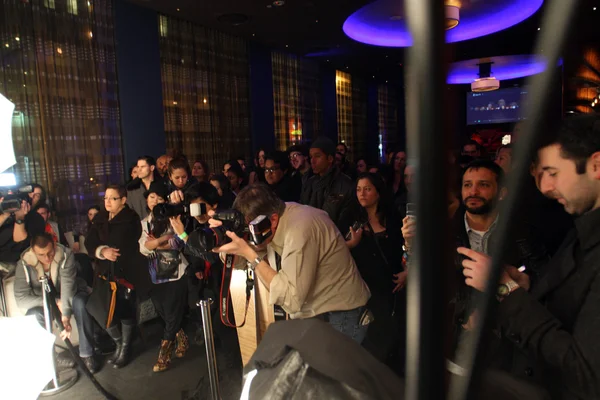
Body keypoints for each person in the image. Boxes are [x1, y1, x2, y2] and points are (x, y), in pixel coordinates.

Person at [459, 115, 600, 398]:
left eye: (553, 172)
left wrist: (505, 289)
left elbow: (587, 376)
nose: (545, 186)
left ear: (596, 165)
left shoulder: (534, 228)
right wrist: (527, 286)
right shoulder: (581, 226)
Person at [207, 184, 371, 343]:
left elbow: (291, 299)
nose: (249, 234)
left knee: (332, 370)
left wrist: (251, 255)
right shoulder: (277, 214)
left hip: (342, 314)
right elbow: (240, 264)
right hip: (320, 311)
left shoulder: (300, 228)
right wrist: (227, 238)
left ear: (273, 220)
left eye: (251, 229)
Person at [342, 173, 406, 368]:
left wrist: (407, 271)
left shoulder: (393, 218)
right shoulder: (349, 217)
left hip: (391, 284)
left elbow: (408, 248)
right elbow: (335, 251)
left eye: (368, 189)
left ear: (378, 193)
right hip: (363, 286)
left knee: (392, 335)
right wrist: (352, 244)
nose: (362, 194)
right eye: (359, 189)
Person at [13, 233, 99, 372]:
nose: (47, 258)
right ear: (33, 252)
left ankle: (87, 354)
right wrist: (53, 302)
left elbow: (67, 286)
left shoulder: (65, 255)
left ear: (54, 245)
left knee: (80, 303)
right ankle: (51, 358)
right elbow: (21, 299)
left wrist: (65, 315)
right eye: (41, 255)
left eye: (50, 252)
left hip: (72, 293)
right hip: (44, 300)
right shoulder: (24, 264)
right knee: (33, 314)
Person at [86, 184, 150, 369]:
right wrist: (101, 250)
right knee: (98, 307)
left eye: (112, 198)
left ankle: (126, 348)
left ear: (123, 200)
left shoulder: (130, 218)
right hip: (103, 271)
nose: (107, 202)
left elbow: (121, 243)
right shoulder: (100, 218)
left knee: (124, 310)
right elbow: (90, 241)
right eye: (105, 198)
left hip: (125, 271)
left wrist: (107, 247)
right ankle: (119, 342)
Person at [139, 181, 189, 372]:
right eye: (152, 197)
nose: (155, 201)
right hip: (155, 273)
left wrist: (157, 243)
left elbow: (179, 242)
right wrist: (162, 241)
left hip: (177, 271)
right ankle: (182, 338)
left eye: (159, 198)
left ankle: (163, 354)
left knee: (172, 313)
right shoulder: (144, 222)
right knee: (164, 312)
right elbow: (144, 247)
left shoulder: (173, 217)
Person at [300, 137, 356, 232]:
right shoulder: (310, 182)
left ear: (330, 159)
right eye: (311, 157)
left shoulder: (345, 184)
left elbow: (341, 220)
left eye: (317, 156)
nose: (312, 161)